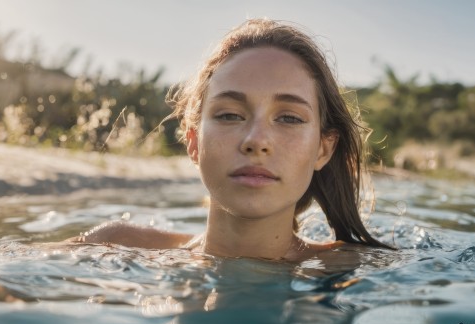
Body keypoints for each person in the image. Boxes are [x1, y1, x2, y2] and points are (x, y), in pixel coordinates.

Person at [70, 18, 393, 260]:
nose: (256, 140)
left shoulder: (358, 269)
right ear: (194, 142)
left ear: (323, 149)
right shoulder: (114, 246)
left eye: (289, 118)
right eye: (229, 115)